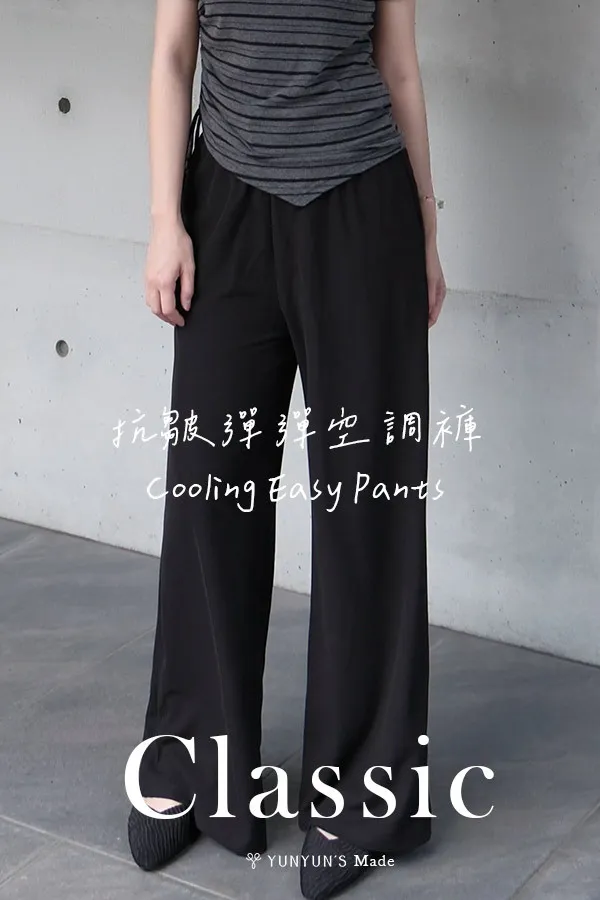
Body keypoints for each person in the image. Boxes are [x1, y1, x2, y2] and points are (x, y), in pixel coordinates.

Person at [127, 0, 446, 897]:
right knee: (210, 494)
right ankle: (195, 767)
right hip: (224, 207)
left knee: (370, 502)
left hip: (364, 206)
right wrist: (165, 219)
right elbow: (172, 54)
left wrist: (426, 230)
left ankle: (366, 794)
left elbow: (399, 66)